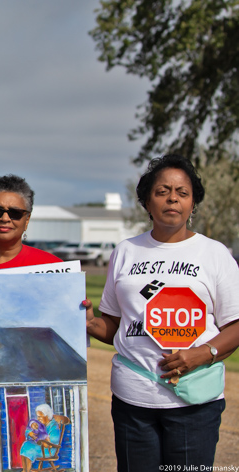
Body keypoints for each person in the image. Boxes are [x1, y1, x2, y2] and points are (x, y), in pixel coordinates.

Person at [85, 154, 239, 470]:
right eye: (162, 191)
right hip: (132, 401)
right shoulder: (125, 251)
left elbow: (235, 326)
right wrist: (89, 323)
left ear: (193, 203)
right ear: (146, 202)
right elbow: (115, 327)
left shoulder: (215, 254)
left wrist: (202, 353)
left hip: (194, 401)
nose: (172, 198)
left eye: (182, 192)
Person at [20, 403, 62, 472]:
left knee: (30, 449)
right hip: (41, 446)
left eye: (40, 416)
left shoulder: (54, 427)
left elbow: (51, 443)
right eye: (37, 416)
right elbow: (29, 429)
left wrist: (42, 439)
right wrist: (29, 433)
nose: (38, 419)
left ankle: (26, 470)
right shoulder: (40, 424)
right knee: (26, 444)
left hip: (48, 450)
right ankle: (25, 470)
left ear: (47, 416)